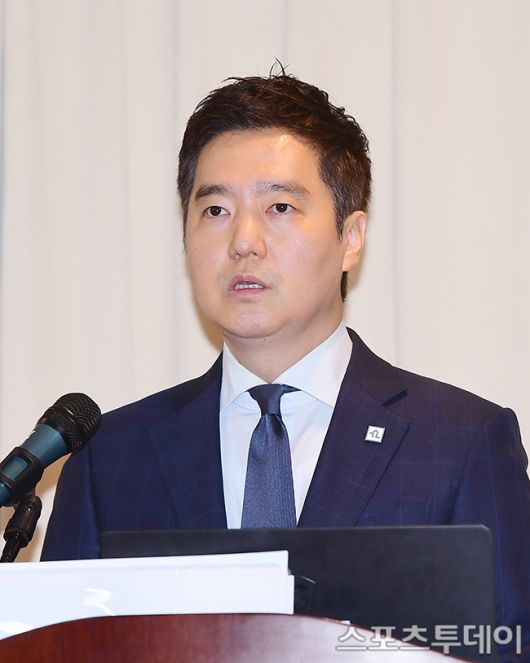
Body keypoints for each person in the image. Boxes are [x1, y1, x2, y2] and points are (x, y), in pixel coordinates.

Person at [41, 72, 530, 660]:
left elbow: (510, 646)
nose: (244, 241)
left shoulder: (461, 443)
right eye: (215, 209)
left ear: (351, 237)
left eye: (279, 207)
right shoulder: (110, 458)